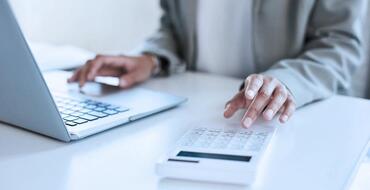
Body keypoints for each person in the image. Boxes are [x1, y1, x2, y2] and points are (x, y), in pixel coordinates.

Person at [68, 0, 365, 128]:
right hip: (194, 111)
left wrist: (286, 82)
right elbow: (173, 25)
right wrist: (151, 58)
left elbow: (340, 42)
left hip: (286, 120)